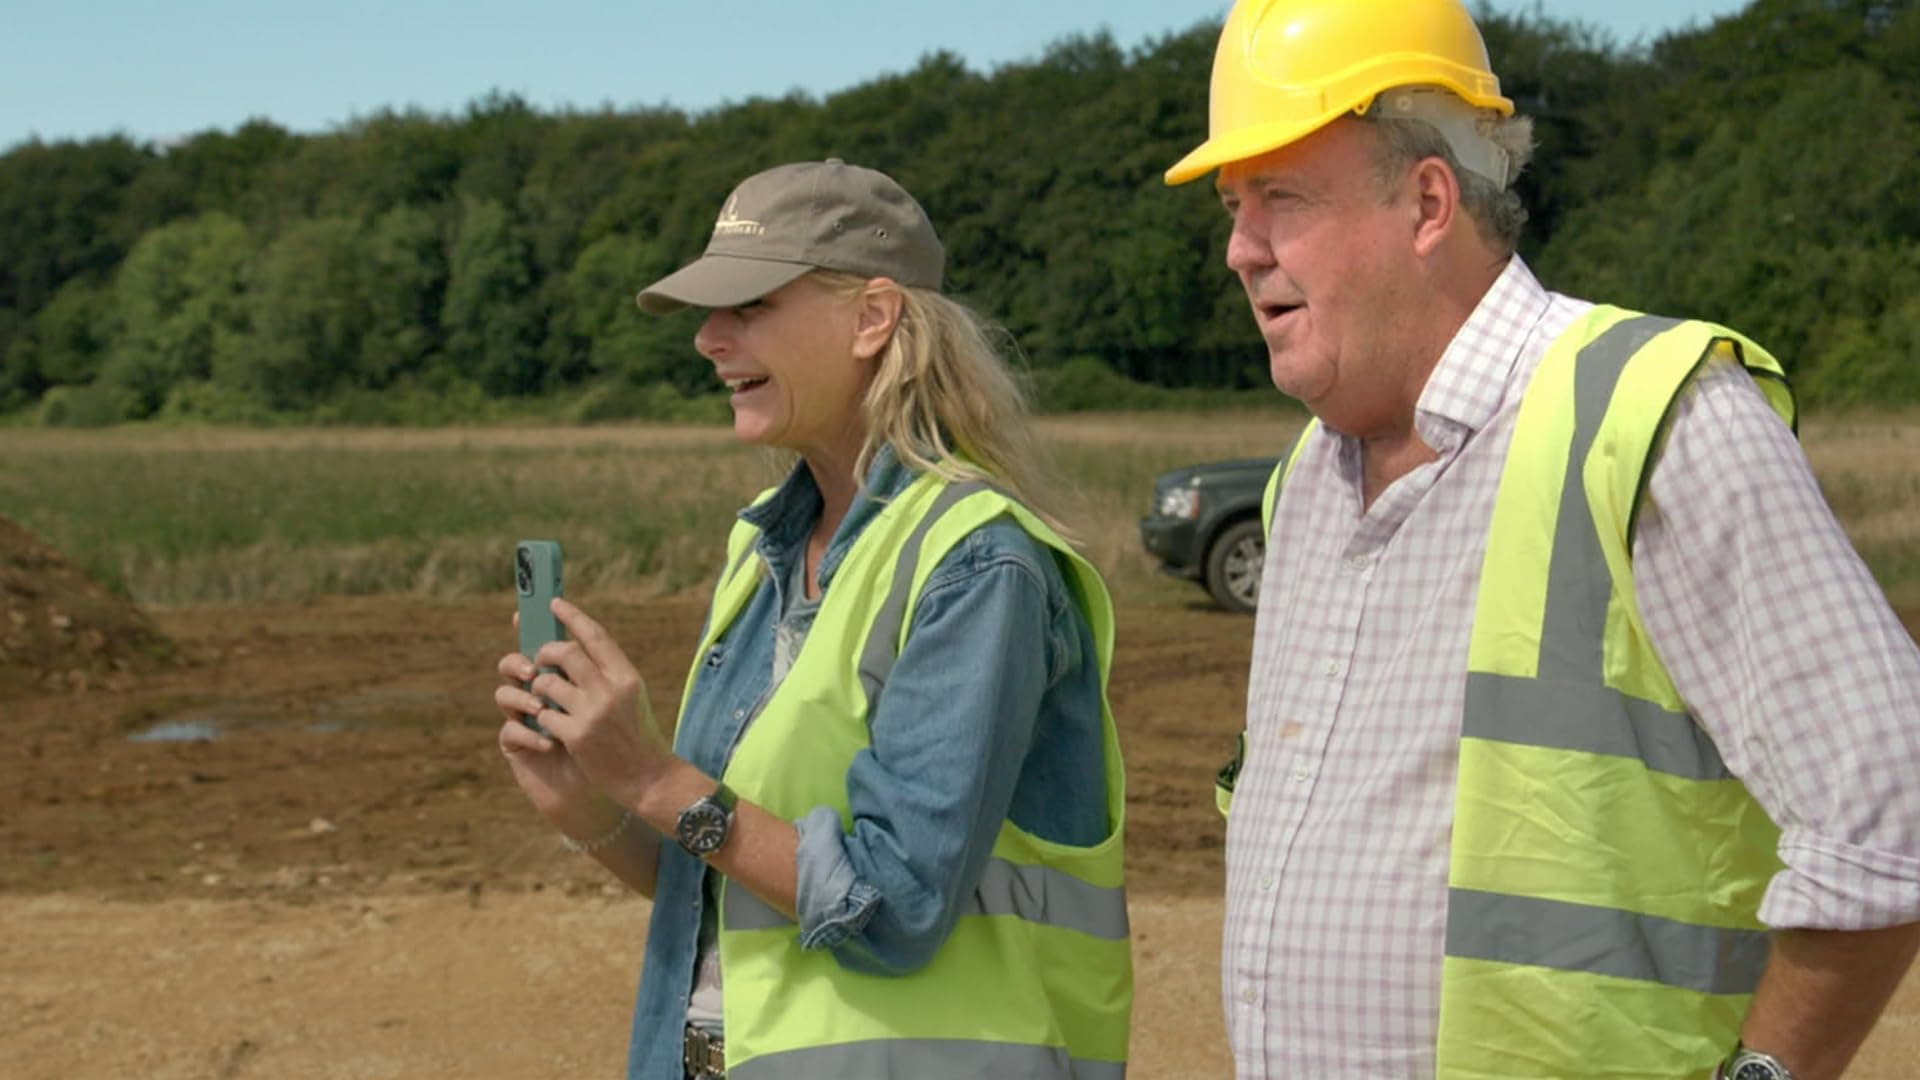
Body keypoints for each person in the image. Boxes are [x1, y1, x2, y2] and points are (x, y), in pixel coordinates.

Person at [1163, 2, 1920, 1077]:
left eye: (1280, 198)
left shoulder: (1651, 418)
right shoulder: (1306, 484)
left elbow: (1891, 811)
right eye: (1234, 208)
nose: (1241, 251)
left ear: (1428, 202)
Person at [492, 159, 1131, 1080]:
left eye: (748, 305)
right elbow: (729, 881)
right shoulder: (762, 549)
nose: (709, 339)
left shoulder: (978, 566)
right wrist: (590, 805)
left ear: (873, 318)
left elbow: (893, 904)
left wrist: (653, 778)